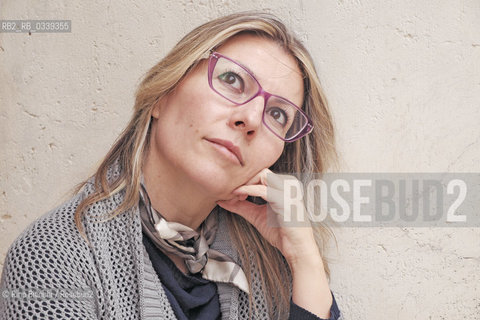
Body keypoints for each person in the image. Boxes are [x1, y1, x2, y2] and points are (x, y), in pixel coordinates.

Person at [0, 12, 341, 319]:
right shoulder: (52, 258)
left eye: (277, 114)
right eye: (233, 81)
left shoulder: (272, 268)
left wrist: (304, 260)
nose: (251, 118)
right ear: (162, 94)